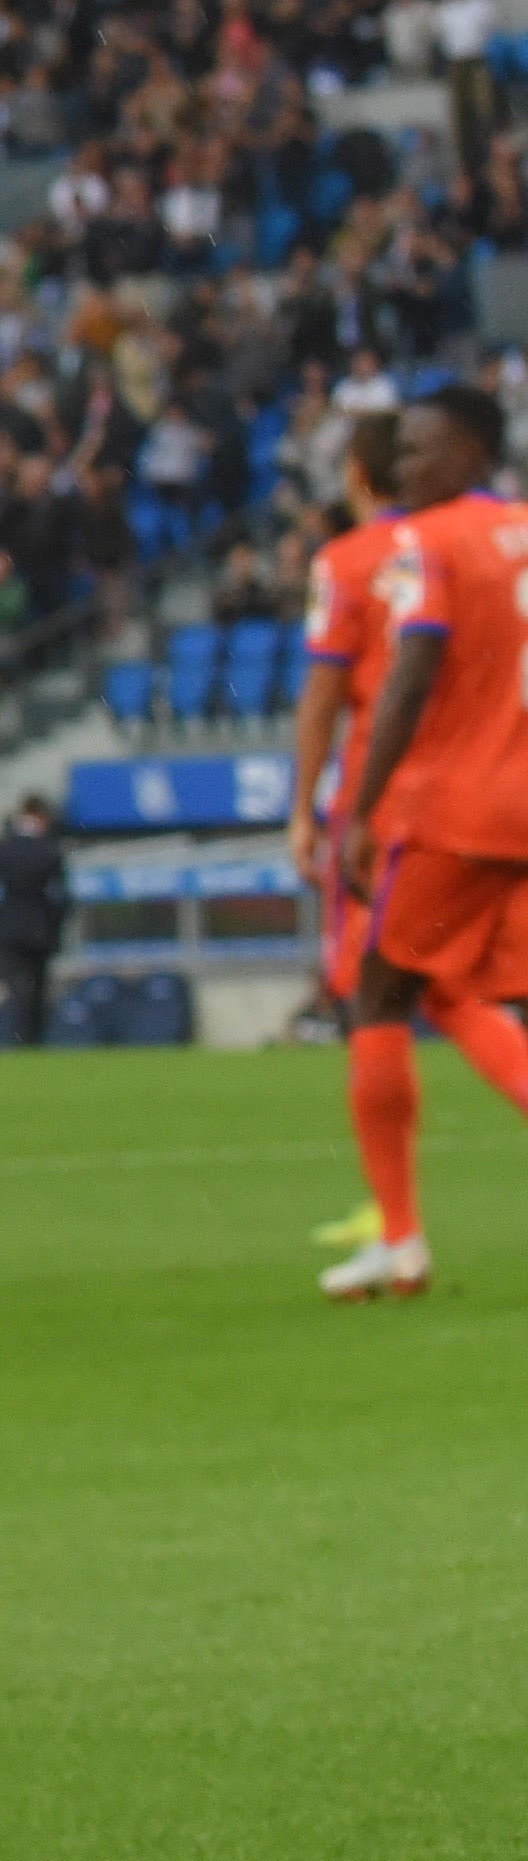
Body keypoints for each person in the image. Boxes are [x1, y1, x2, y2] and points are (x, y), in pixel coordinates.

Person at [320, 386, 528, 1298]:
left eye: (422, 451)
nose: (405, 470)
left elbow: (409, 672)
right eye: (399, 453)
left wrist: (360, 810)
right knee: (460, 993)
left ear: (473, 454)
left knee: (379, 993)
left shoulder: (427, 544)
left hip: (454, 810)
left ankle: (399, 1237)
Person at [0, 798, 69, 1056]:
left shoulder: (2, 848)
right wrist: (54, 923)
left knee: (14, 987)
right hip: (41, 928)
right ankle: (33, 1040)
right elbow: (61, 896)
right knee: (38, 987)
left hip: (9, 927)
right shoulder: (50, 850)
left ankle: (17, 1038)